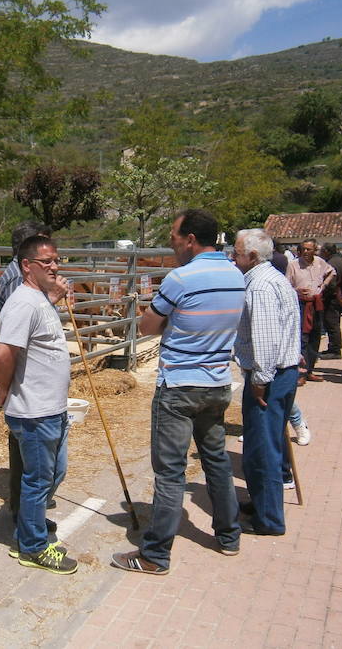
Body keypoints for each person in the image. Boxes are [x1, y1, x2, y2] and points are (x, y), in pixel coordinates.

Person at [112, 209, 243, 575]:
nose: (169, 240)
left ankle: (155, 554)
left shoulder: (180, 279)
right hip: (217, 383)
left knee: (170, 471)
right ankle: (228, 536)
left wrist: (154, 312)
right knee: (215, 459)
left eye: (173, 234)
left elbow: (150, 326)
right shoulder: (235, 275)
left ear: (189, 239)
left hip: (180, 385)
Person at [0, 235, 76, 574]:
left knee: (54, 473)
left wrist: (53, 299)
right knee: (39, 479)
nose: (54, 266)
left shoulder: (39, 299)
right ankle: (33, 547)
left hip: (51, 407)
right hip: (35, 411)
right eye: (46, 262)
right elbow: (2, 354)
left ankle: (29, 527)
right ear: (27, 266)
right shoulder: (23, 303)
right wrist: (2, 388)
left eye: (56, 260)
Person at [231, 228, 300, 536]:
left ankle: (269, 519)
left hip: (269, 377)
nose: (233, 258)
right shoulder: (273, 278)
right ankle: (261, 502)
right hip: (281, 374)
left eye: (237, 253)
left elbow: (266, 337)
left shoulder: (259, 286)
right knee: (265, 443)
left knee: (264, 448)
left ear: (253, 257)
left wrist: (260, 379)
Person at [0, 220, 52, 530]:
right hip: (21, 368)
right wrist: (4, 385)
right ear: (25, 255)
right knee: (25, 452)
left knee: (28, 452)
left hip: (27, 366)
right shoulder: (17, 281)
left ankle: (29, 512)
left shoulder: (22, 277)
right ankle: (24, 518)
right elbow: (8, 345)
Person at [286, 238, 335, 385]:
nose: (306, 252)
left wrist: (323, 286)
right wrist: (297, 291)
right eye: (303, 249)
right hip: (301, 304)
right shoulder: (293, 265)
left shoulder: (320, 262)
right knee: (302, 338)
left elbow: (332, 272)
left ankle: (310, 370)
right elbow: (286, 285)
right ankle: (301, 372)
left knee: (315, 337)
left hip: (316, 304)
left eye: (309, 249)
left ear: (315, 250)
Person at [318, 243, 342, 359]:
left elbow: (331, 283)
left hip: (332, 298)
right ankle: (333, 347)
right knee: (334, 323)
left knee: (332, 323)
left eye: (322, 251)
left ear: (327, 251)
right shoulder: (340, 261)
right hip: (337, 297)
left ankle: (335, 349)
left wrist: (323, 292)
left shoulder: (330, 264)